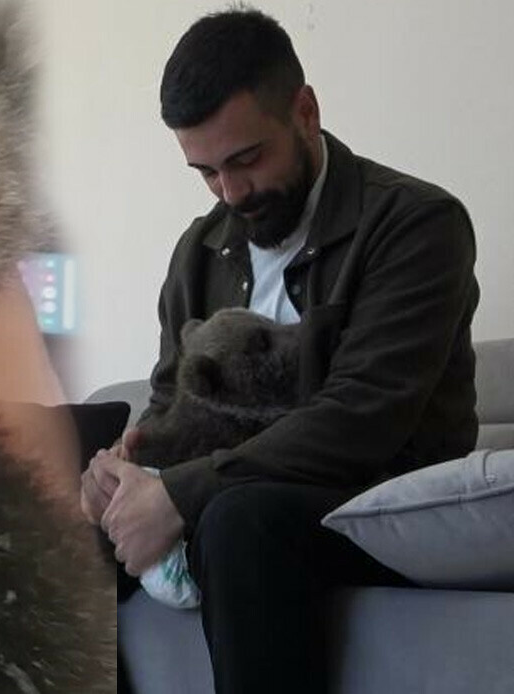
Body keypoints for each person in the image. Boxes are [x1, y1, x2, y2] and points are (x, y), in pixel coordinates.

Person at [81, 8, 478, 694]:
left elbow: (362, 418)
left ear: (305, 111)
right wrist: (125, 476)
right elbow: (173, 399)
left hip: (376, 500)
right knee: (51, 532)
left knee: (240, 522)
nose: (231, 193)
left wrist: (181, 491)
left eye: (246, 159)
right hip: (238, 489)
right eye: (205, 172)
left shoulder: (416, 224)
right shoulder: (200, 251)